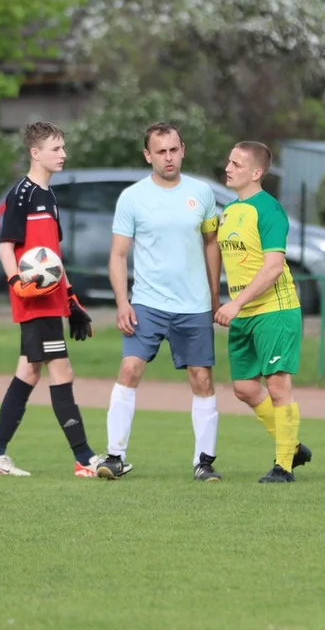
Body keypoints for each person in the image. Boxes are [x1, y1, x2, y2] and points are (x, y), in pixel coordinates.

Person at [95, 122, 224, 482]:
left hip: (194, 305)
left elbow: (211, 244)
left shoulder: (203, 194)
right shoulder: (132, 198)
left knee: (202, 378)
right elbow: (118, 255)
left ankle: (204, 462)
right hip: (148, 304)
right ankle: (115, 457)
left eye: (173, 149)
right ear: (147, 155)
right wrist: (123, 302)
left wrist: (214, 298)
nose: (168, 157)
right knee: (130, 369)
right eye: (160, 151)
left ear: (183, 149)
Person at [0, 121, 103, 478]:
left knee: (30, 371)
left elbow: (52, 258)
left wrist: (72, 301)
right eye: (55, 148)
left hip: (52, 298)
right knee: (61, 370)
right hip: (32, 297)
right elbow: (6, 248)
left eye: (63, 147)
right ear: (36, 153)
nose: (63, 154)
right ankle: (85, 458)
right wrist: (17, 282)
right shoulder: (22, 193)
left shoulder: (49, 196)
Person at [213, 141, 312, 484]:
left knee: (277, 385)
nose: (228, 168)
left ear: (256, 173)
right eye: (229, 161)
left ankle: (283, 466)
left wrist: (236, 303)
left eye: (237, 164)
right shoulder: (228, 211)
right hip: (244, 313)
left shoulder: (268, 210)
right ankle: (293, 444)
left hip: (275, 310)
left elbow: (273, 267)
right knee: (243, 388)